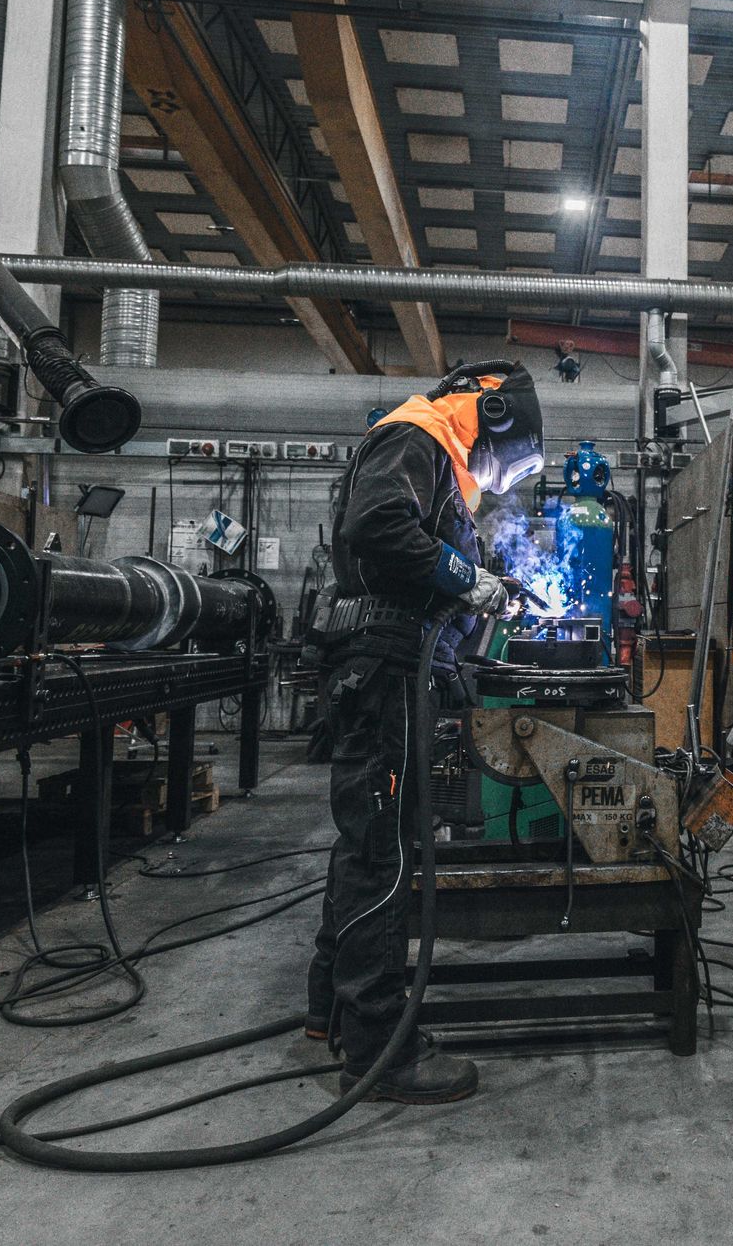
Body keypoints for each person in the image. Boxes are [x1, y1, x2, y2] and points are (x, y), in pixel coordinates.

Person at [303, 361, 544, 1105]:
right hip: (385, 673)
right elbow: (377, 526)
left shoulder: (428, 453)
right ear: (492, 411)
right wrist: (465, 578)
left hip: (386, 670)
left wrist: (482, 580)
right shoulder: (422, 434)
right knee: (384, 857)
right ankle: (381, 1056)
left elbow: (418, 550)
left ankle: (332, 1010)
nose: (492, 474)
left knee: (369, 847)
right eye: (507, 460)